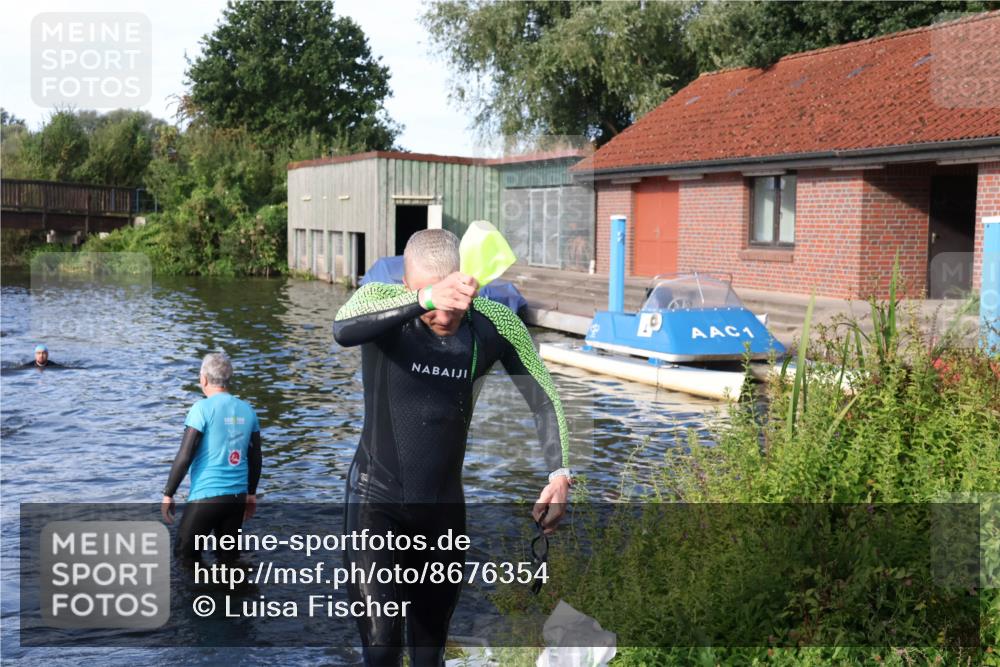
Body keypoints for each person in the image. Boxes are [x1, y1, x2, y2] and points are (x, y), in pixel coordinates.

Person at [332, 229, 572, 666]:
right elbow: (342, 329)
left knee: (429, 655)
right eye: (434, 309)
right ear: (411, 286)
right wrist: (422, 300)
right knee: (382, 649)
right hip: (375, 502)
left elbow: (545, 396)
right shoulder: (384, 300)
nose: (445, 318)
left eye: (454, 309)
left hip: (441, 511)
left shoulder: (494, 323)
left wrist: (560, 475)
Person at [161, 352, 263, 563]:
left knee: (184, 558)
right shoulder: (248, 410)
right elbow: (256, 457)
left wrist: (168, 493)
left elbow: (185, 455)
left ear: (203, 379)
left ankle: (201, 593)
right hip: (236, 498)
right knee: (228, 559)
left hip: (207, 496)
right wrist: (251, 494)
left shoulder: (201, 409)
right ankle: (231, 593)